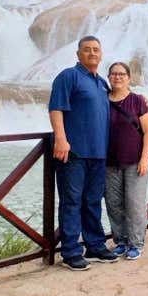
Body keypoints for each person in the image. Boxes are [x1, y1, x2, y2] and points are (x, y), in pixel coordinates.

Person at [48, 35, 118, 271]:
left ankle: (95, 245)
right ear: (78, 54)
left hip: (98, 153)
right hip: (74, 152)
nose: (92, 53)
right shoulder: (69, 76)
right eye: (87, 50)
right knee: (71, 201)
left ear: (101, 54)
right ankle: (70, 251)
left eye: (96, 50)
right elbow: (56, 108)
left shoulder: (102, 84)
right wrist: (60, 138)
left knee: (92, 201)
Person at [105, 62, 148, 260]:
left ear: (129, 78)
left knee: (135, 203)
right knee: (114, 204)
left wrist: (145, 158)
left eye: (121, 74)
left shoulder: (137, 101)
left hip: (135, 161)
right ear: (108, 77)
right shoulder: (102, 100)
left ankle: (136, 243)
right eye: (113, 74)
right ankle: (121, 241)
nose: (117, 77)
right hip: (109, 162)